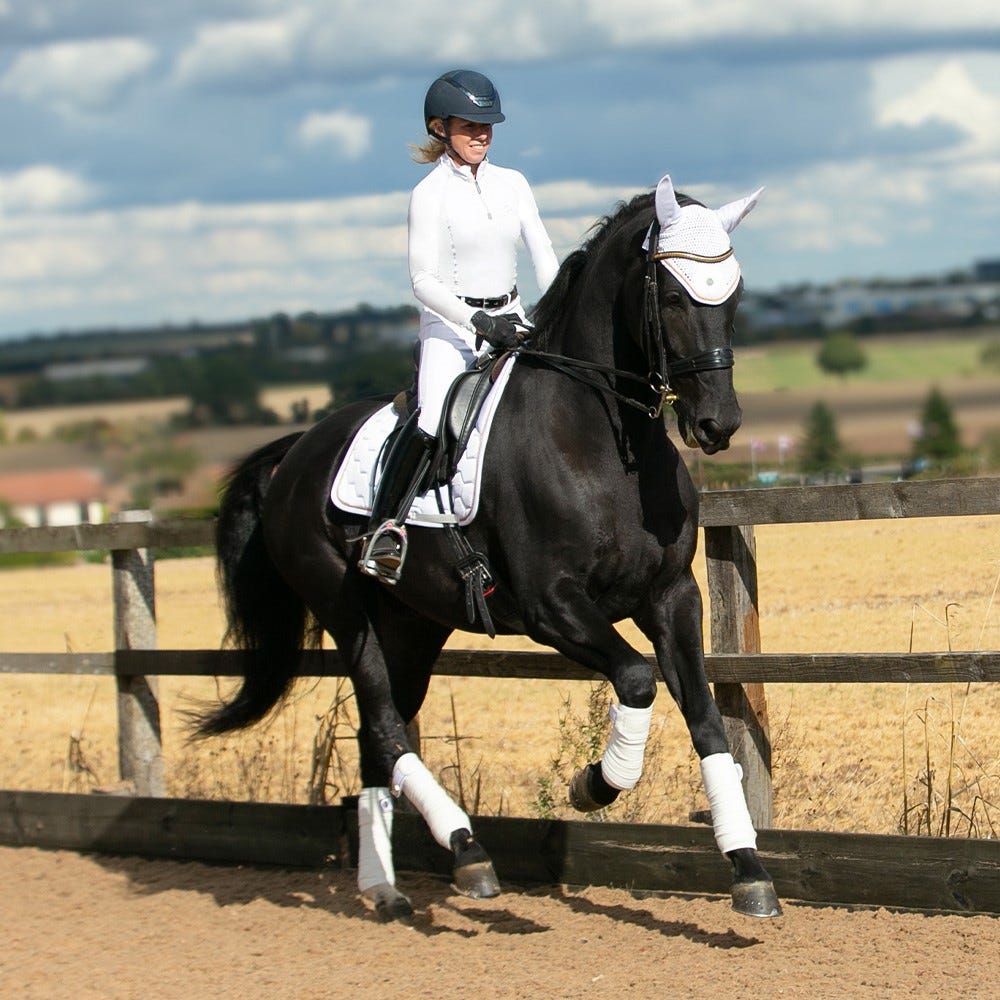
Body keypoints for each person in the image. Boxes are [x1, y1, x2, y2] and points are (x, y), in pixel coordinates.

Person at [359, 68, 559, 582]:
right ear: (439, 127)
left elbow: (542, 251)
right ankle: (388, 528)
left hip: (513, 317)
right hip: (451, 328)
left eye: (487, 125)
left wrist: (556, 305)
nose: (482, 134)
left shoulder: (513, 183)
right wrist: (478, 322)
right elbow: (422, 281)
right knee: (431, 421)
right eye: (470, 125)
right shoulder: (429, 194)